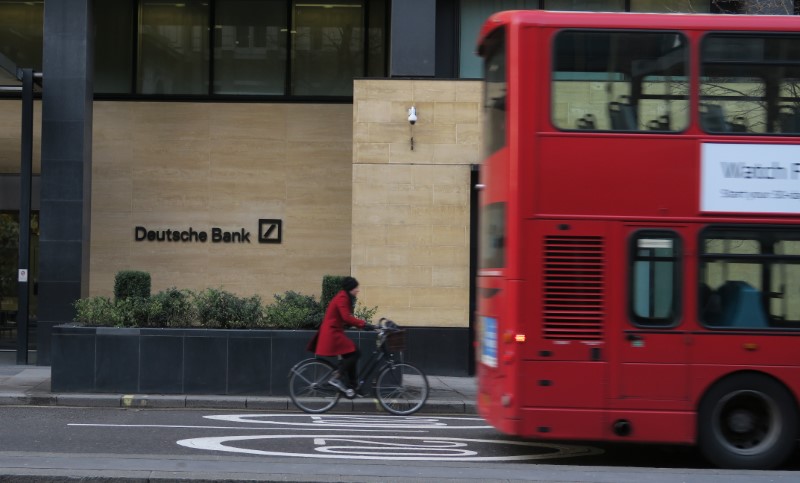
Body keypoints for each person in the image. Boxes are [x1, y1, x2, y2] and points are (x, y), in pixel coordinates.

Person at [312, 276, 374, 394]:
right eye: (356, 287)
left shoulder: (345, 297)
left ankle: (353, 386)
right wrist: (363, 324)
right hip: (332, 333)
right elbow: (346, 317)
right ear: (351, 288)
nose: (358, 290)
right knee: (356, 353)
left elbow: (344, 318)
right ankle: (337, 377)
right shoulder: (342, 297)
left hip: (335, 332)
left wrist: (362, 325)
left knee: (351, 354)